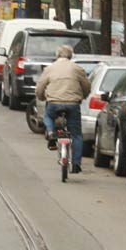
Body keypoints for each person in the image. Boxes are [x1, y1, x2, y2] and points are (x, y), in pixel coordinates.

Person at [35, 45, 91, 174]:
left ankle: (50, 132)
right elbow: (86, 85)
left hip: (54, 102)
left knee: (48, 117)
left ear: (57, 55)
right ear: (70, 56)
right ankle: (76, 164)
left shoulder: (50, 68)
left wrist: (41, 97)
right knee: (76, 134)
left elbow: (40, 87)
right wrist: (83, 96)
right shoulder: (77, 69)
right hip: (72, 104)